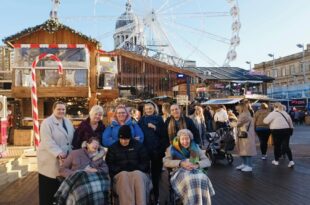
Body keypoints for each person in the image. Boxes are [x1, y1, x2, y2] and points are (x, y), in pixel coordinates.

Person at [163, 129, 214, 205]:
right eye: (182, 139)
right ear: (179, 139)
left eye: (187, 139)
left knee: (203, 178)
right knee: (190, 180)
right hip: (179, 171)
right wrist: (180, 163)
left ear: (190, 139)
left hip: (194, 170)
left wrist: (196, 164)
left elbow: (207, 161)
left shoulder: (195, 147)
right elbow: (166, 162)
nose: (185, 141)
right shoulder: (172, 148)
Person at [37, 101, 74, 205]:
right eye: (59, 109)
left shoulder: (67, 121)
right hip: (50, 160)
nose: (61, 111)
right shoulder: (47, 123)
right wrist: (59, 153)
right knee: (48, 188)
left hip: (65, 158)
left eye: (63, 109)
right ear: (53, 110)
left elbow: (71, 138)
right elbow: (47, 141)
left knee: (60, 187)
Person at [106, 125, 152, 205]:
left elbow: (145, 162)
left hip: (138, 171)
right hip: (120, 173)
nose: (124, 141)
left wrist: (136, 168)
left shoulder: (138, 145)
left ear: (130, 137)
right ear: (119, 138)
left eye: (126, 139)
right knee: (124, 176)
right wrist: (121, 169)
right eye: (122, 139)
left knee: (137, 175)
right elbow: (110, 164)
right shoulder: (113, 148)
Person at [55, 137, 110, 204]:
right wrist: (76, 174)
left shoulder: (99, 157)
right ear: (87, 144)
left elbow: (105, 169)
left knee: (102, 189)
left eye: (97, 144)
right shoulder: (75, 153)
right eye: (93, 143)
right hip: (79, 182)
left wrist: (95, 170)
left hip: (94, 181)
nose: (96, 145)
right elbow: (62, 169)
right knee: (82, 191)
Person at [138, 101, 168, 203]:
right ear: (144, 110)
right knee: (145, 174)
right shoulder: (141, 120)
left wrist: (155, 128)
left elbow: (164, 134)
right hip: (144, 151)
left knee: (156, 176)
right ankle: (146, 195)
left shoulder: (159, 119)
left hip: (157, 151)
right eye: (146, 108)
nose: (148, 110)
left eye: (150, 108)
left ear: (154, 109)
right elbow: (138, 132)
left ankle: (156, 197)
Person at [263, 102, 295, 167]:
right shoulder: (285, 113)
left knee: (277, 146)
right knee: (286, 146)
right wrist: (291, 130)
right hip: (286, 130)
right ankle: (291, 161)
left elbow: (265, 121)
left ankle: (276, 160)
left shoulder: (273, 113)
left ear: (274, 107)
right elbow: (290, 123)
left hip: (276, 131)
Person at [235, 102, 257, 172]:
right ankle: (245, 164)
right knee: (243, 149)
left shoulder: (244, 115)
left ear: (241, 107)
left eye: (238, 106)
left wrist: (232, 124)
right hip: (244, 134)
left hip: (246, 135)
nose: (236, 108)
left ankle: (249, 165)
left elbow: (238, 124)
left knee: (247, 150)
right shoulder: (244, 114)